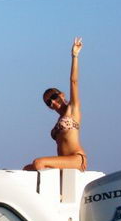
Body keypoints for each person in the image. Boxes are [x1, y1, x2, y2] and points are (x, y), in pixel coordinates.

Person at [24, 37, 87, 171]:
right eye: (49, 102)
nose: (52, 101)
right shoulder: (59, 119)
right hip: (63, 162)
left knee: (38, 163)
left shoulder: (72, 108)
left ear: (62, 95)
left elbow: (74, 81)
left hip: (76, 158)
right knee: (27, 168)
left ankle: (44, 192)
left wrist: (74, 56)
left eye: (54, 97)